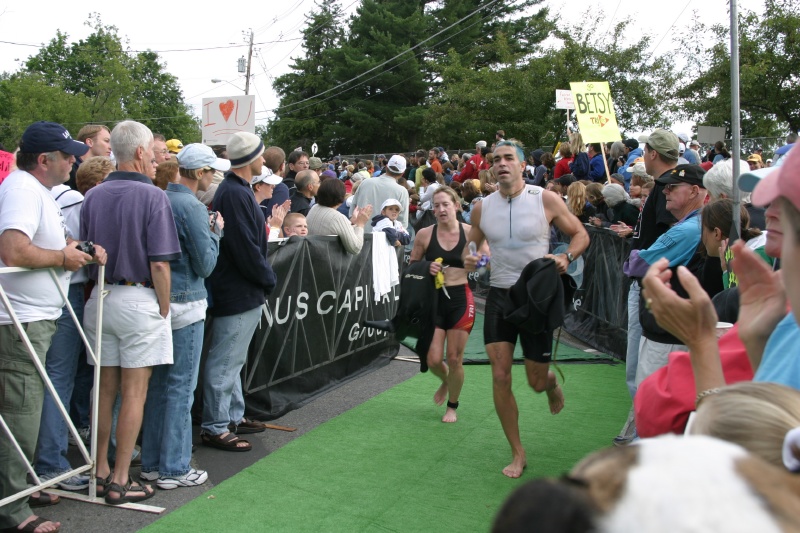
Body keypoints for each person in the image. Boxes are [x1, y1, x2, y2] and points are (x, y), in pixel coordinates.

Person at [0, 121, 105, 533]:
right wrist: (64, 259)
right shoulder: (23, 189)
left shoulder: (32, 190)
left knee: (27, 407)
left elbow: (44, 243)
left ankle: (23, 489)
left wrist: (80, 250)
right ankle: (12, 509)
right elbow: (13, 249)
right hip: (20, 320)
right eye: (65, 155)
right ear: (44, 161)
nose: (73, 160)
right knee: (21, 411)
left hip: (34, 316)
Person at [464, 139, 590, 477]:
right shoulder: (481, 207)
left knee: (534, 381)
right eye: (496, 159)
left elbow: (580, 235)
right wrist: (476, 257)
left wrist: (566, 256)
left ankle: (549, 384)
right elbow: (472, 248)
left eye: (509, 158)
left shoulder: (544, 199)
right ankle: (518, 453)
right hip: (500, 297)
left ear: (523, 166)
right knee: (500, 374)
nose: (502, 163)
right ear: (491, 167)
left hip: (536, 297)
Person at [81, 120, 180, 504]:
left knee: (103, 391)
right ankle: (121, 477)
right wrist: (165, 305)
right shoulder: (155, 197)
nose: (157, 159)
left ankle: (101, 470)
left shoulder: (93, 196)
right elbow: (160, 264)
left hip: (102, 296)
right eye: (152, 153)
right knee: (134, 393)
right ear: (140, 152)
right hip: (138, 295)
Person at [140, 143, 227, 489]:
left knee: (161, 386)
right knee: (179, 388)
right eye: (211, 172)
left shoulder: (160, 197)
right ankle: (174, 467)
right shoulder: (189, 204)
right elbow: (205, 265)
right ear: (201, 172)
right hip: (186, 301)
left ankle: (152, 463)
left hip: (159, 299)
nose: (214, 177)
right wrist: (216, 232)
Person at [202, 132, 277, 451]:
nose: (264, 161)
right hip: (237, 289)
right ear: (250, 158)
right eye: (260, 155)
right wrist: (266, 277)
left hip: (242, 288)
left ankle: (232, 416)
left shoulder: (238, 190)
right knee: (225, 360)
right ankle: (216, 425)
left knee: (233, 359)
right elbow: (243, 247)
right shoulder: (234, 192)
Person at [410, 187, 483, 423]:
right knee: (432, 359)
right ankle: (445, 380)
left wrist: (478, 261)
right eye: (436, 205)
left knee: (454, 358)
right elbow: (411, 267)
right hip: (433, 300)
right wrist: (425, 268)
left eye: (445, 204)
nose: (441, 209)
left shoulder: (471, 233)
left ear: (457, 205)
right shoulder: (424, 234)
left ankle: (452, 406)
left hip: (460, 299)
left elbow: (488, 258)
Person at [308, 179, 372, 255]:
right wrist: (360, 224)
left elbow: (336, 229)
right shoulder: (337, 218)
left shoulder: (314, 208)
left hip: (313, 257)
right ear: (342, 198)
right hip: (329, 262)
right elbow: (355, 248)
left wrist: (352, 223)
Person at [350, 155, 409, 232]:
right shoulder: (402, 191)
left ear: (387, 167)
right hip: (385, 240)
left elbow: (353, 210)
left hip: (360, 234)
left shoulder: (365, 183)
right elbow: (402, 222)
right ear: (402, 173)